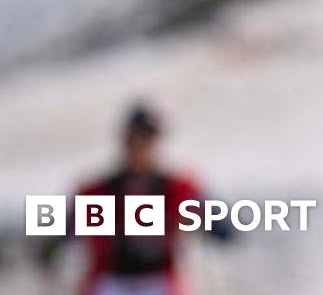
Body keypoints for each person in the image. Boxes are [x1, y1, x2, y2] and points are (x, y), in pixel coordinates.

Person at [38, 102, 231, 295]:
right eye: (135, 139)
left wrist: (206, 221)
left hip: (159, 278)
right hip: (111, 279)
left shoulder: (176, 188)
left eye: (146, 139)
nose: (140, 147)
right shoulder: (99, 191)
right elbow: (61, 235)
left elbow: (223, 229)